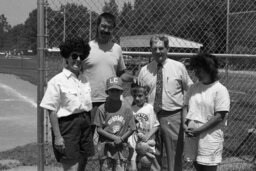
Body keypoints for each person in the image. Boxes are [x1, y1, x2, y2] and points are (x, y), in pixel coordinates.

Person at [137, 34, 193, 171]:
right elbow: (138, 94)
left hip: (173, 116)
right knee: (150, 154)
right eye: (154, 48)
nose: (158, 51)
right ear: (151, 50)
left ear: (167, 48)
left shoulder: (178, 67)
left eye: (161, 48)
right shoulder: (144, 70)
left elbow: (189, 89)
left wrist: (186, 112)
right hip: (151, 117)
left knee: (174, 155)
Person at [40, 37, 94, 171]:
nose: (78, 59)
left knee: (83, 161)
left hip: (85, 123)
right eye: (74, 56)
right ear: (67, 57)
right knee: (71, 166)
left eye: (81, 56)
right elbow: (51, 110)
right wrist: (58, 137)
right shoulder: (57, 81)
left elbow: (87, 106)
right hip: (67, 127)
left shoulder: (84, 79)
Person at [82, 12, 134, 125]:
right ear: (97, 26)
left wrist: (134, 78)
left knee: (111, 133)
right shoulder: (86, 48)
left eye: (110, 28)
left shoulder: (117, 49)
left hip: (112, 100)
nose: (106, 30)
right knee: (88, 136)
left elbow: (121, 73)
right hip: (90, 100)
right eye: (103, 26)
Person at [182, 53, 230, 171]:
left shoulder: (220, 90)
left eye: (199, 69)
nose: (196, 72)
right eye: (195, 69)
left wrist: (199, 130)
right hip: (192, 134)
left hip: (210, 136)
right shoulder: (193, 88)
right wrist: (184, 123)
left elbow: (219, 116)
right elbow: (185, 106)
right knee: (197, 164)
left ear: (209, 69)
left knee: (208, 166)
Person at [93, 76, 136, 171]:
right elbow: (99, 129)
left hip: (121, 147)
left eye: (117, 90)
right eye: (112, 90)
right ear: (107, 92)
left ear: (122, 92)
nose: (115, 93)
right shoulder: (102, 109)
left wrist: (121, 138)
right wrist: (115, 138)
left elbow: (132, 128)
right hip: (106, 147)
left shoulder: (127, 108)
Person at [127, 83, 160, 171]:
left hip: (147, 143)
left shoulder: (150, 108)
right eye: (135, 96)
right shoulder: (131, 109)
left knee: (146, 165)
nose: (137, 98)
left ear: (146, 95)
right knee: (132, 168)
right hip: (134, 143)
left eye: (140, 96)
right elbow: (129, 126)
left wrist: (148, 136)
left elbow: (156, 125)